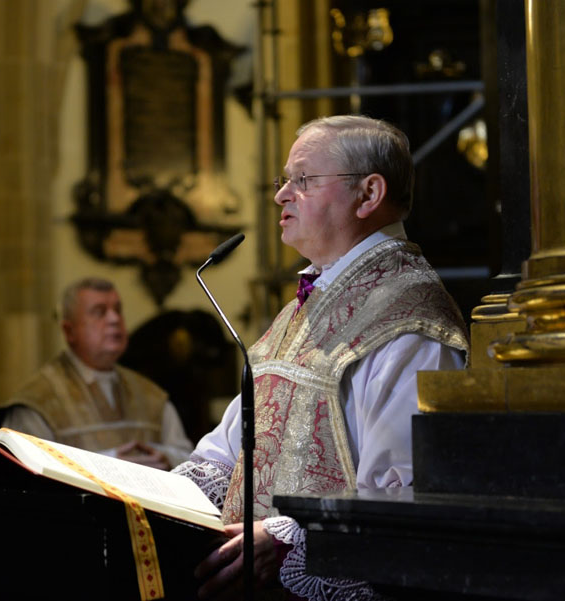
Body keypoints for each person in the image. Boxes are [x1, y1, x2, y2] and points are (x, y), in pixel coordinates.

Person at [173, 115, 470, 600]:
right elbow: (230, 451)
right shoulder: (309, 301)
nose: (281, 195)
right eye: (284, 179)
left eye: (303, 179)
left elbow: (405, 493)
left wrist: (288, 542)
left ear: (368, 194)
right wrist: (149, 493)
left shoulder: (412, 325)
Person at [0, 277, 193, 470]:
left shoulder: (152, 395)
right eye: (99, 312)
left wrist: (166, 458)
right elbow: (24, 471)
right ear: (69, 331)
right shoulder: (37, 402)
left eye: (118, 310)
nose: (114, 319)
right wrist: (110, 463)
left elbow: (190, 459)